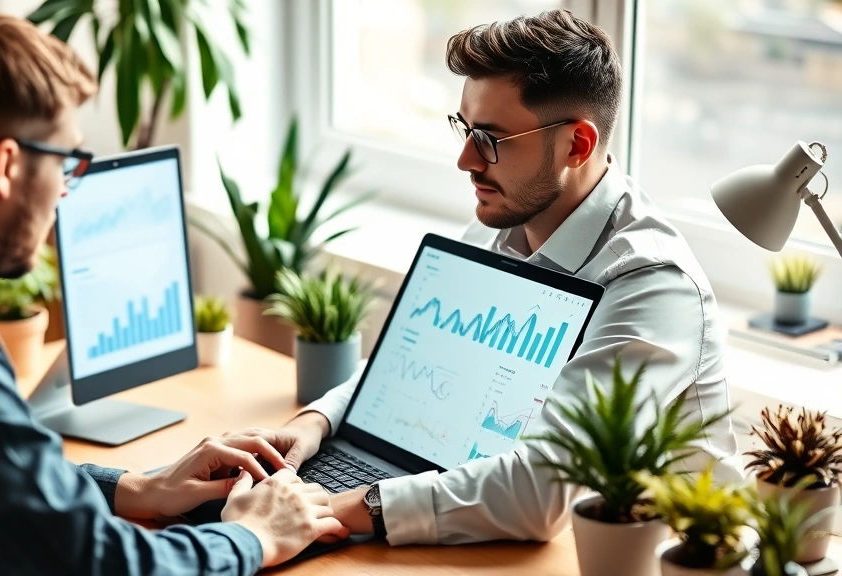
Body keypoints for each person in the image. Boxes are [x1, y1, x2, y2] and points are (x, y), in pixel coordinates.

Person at [0, 5, 345, 575]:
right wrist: (252, 536)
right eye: (67, 163)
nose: (67, 192)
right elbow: (86, 561)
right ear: (6, 167)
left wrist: (136, 486)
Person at [239, 9, 742, 545]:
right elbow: (403, 366)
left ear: (578, 145)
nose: (464, 160)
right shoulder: (498, 227)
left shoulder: (653, 284)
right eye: (464, 128)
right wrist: (309, 427)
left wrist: (339, 507)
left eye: (490, 138)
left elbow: (544, 489)